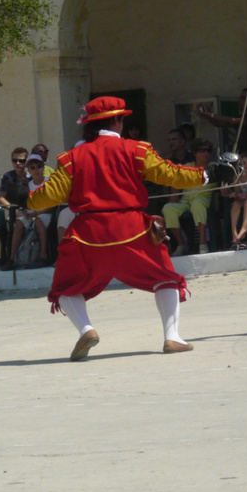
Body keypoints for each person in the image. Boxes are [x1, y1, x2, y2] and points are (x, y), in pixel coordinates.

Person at [26, 96, 226, 360]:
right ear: (119, 121)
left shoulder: (71, 158)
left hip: (88, 234)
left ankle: (86, 329)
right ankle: (172, 337)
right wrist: (207, 174)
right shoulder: (136, 149)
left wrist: (28, 199)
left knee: (64, 288)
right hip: (132, 229)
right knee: (165, 278)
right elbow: (170, 174)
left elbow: (46, 197)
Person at [161, 139, 216, 256]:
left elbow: (226, 180)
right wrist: (174, 195)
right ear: (195, 153)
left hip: (204, 200)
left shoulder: (215, 167)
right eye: (202, 150)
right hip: (186, 201)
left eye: (208, 150)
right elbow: (176, 181)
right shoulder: (186, 167)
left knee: (197, 203)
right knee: (168, 208)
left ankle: (202, 243)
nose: (206, 153)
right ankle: (181, 245)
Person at [0, 153, 52, 271]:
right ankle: (12, 259)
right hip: (31, 213)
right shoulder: (26, 184)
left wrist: (37, 213)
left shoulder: (49, 182)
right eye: (32, 167)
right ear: (28, 170)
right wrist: (24, 212)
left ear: (43, 168)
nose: (36, 170)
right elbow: (23, 203)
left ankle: (43, 256)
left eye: (38, 166)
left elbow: (53, 205)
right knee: (19, 223)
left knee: (39, 221)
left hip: (45, 213)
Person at [196, 87, 247, 153]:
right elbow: (218, 123)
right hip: (240, 153)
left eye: (242, 98)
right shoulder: (242, 116)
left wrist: (210, 114)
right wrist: (206, 114)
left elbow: (232, 120)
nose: (239, 100)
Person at [224, 153, 247, 250]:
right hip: (243, 198)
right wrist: (235, 194)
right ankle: (234, 234)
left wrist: (246, 195)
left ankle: (244, 228)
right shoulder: (237, 176)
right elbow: (237, 191)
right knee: (235, 204)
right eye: (244, 163)